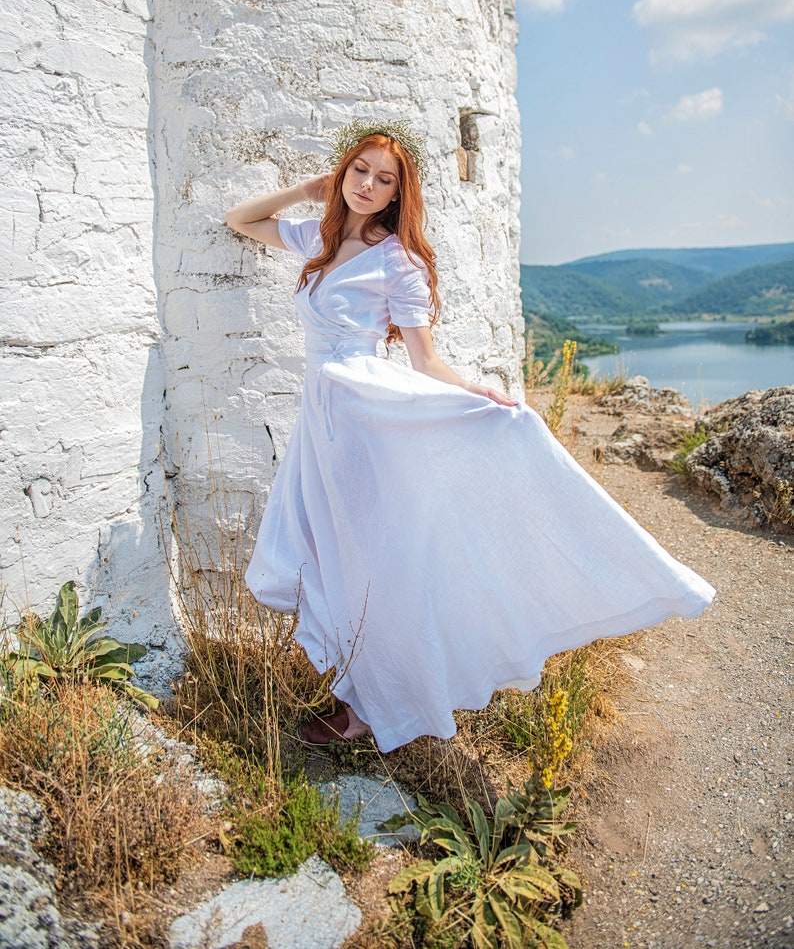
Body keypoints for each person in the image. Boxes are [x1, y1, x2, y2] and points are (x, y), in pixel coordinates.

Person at [225, 120, 715, 753]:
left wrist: (475, 395)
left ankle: (377, 704)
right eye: (359, 171)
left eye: (385, 179)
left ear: (401, 193)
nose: (368, 186)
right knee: (338, 555)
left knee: (379, 559)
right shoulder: (318, 241)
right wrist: (311, 187)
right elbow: (241, 219)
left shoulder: (397, 261)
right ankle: (359, 690)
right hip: (322, 425)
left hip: (368, 418)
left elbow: (425, 361)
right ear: (342, 172)